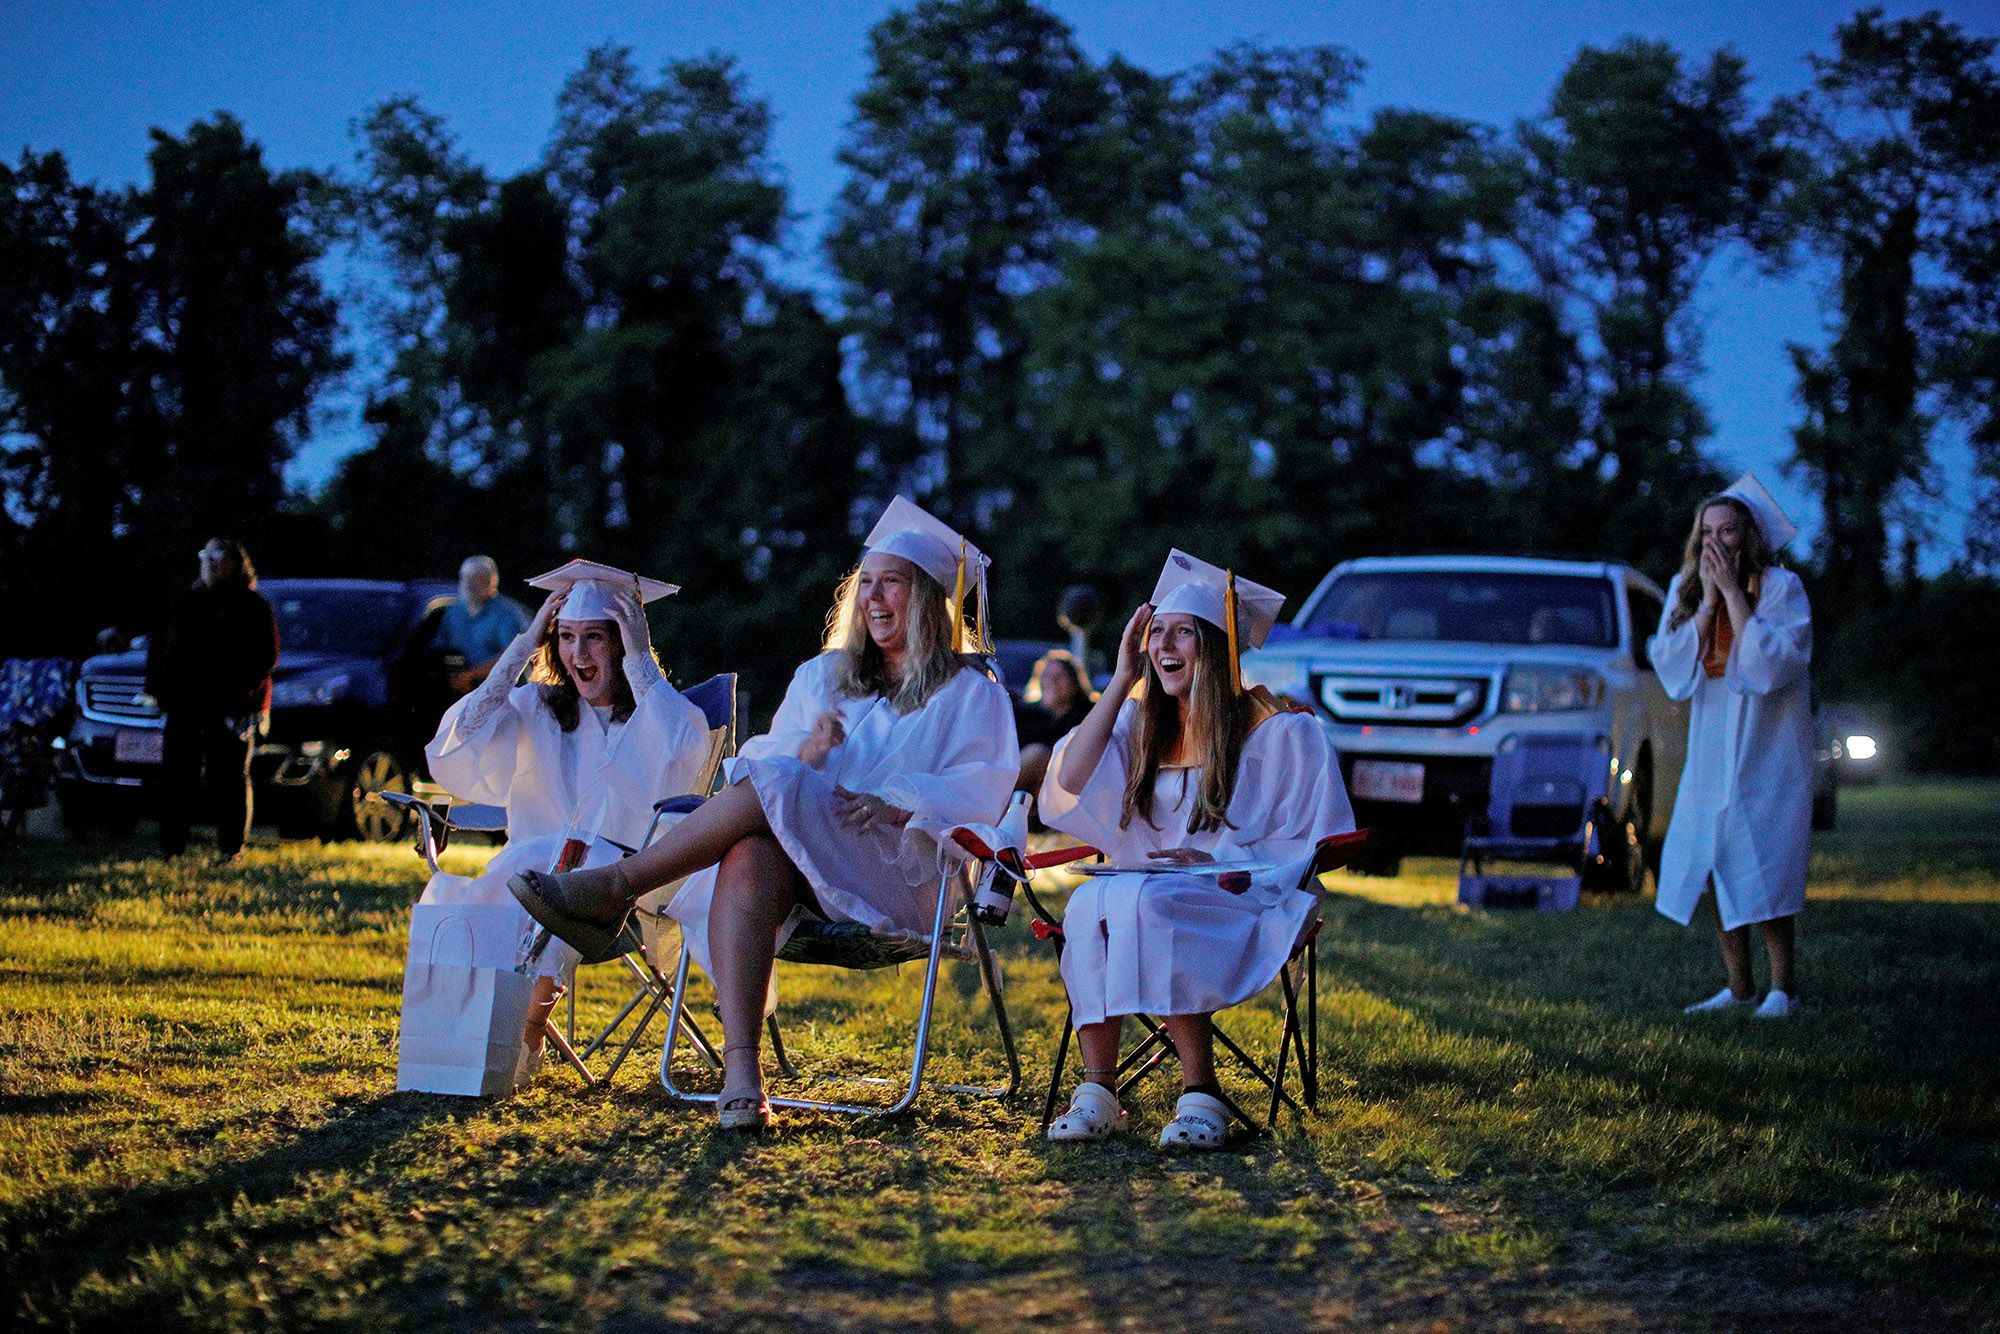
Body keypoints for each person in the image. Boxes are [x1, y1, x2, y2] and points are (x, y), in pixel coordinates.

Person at [509, 497, 1019, 1129]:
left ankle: (620, 885)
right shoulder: (824, 676)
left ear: (930, 599)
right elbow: (774, 772)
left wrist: (896, 803)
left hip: (905, 875)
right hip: (810, 873)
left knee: (773, 784)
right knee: (750, 850)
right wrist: (808, 753)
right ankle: (743, 1077)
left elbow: (983, 787)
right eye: (868, 584)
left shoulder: (971, 691)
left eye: (894, 583)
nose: (876, 599)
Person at [1040, 551, 1354, 1150]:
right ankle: (1098, 1092)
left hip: (1246, 899)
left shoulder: (1274, 728)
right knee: (1086, 906)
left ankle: (1202, 1094)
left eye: (1184, 631)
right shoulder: (1140, 725)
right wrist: (1120, 680)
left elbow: (1305, 840)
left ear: (1215, 646)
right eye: (1157, 632)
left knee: (1154, 906)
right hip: (1149, 891)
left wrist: (1218, 864)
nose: (1166, 644)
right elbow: (1071, 778)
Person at [425, 560, 713, 1077]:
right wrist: (524, 645)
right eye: (567, 637)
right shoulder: (538, 706)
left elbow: (685, 750)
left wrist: (640, 656)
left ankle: (524, 1033)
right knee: (485, 895)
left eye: (596, 638)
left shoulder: (655, 713)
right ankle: (464, 1045)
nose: (578, 654)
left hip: (623, 883)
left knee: (561, 882)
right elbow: (463, 734)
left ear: (622, 643)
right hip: (529, 870)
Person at [1648, 473, 1814, 1020]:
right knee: (1714, 858)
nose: (1719, 542)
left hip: (1766, 742)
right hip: (1711, 735)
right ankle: (1738, 986)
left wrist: (1736, 602)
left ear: (1750, 535)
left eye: (1730, 531)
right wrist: (1706, 601)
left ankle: (1782, 989)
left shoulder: (1781, 587)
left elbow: (1773, 664)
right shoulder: (1685, 587)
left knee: (1765, 858)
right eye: (1709, 532)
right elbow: (1671, 665)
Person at [146, 537, 280, 861]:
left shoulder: (251, 607)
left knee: (230, 777)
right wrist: (159, 691)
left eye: (216, 556)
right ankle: (170, 847)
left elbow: (265, 657)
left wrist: (242, 695)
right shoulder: (187, 603)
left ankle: (231, 848)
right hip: (186, 705)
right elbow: (162, 648)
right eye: (204, 555)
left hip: (232, 706)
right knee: (177, 774)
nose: (208, 562)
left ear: (234, 562)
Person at [1012, 649, 1095, 812]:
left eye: (1060, 676)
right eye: (1047, 676)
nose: (1052, 681)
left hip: (1065, 785)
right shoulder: (1025, 713)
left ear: (1074, 682)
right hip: (1024, 786)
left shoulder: (1088, 714)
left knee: (1039, 753)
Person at [434, 556, 529, 695]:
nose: (469, 583)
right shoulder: (453, 612)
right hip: (463, 692)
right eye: (465, 577)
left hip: (504, 694)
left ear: (491, 581)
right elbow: (442, 649)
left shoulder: (506, 614)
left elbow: (512, 656)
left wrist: (471, 675)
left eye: (476, 578)